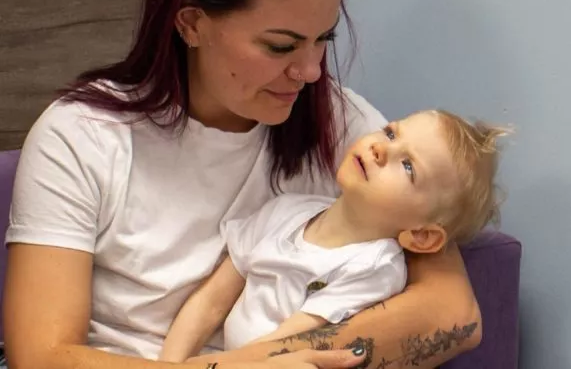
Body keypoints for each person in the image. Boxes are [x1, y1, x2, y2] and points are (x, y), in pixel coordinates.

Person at [2, 0, 482, 369]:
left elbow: (452, 313)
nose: (311, 72)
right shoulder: (81, 135)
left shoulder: (343, 127)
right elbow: (41, 356)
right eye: (280, 46)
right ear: (191, 22)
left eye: (323, 40)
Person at [159, 109, 507, 363]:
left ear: (421, 236)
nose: (380, 148)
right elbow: (209, 303)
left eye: (408, 166)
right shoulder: (285, 211)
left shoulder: (374, 267)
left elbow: (290, 343)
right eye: (390, 133)